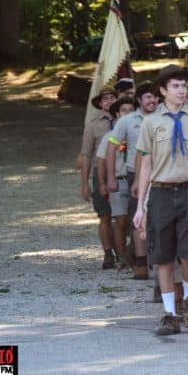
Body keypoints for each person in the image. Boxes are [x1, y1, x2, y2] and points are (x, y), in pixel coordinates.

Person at [133, 68, 188, 336]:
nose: (181, 90)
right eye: (175, 86)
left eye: (183, 85)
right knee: (162, 255)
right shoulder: (151, 122)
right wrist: (141, 205)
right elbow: (146, 164)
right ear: (162, 90)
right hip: (161, 192)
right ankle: (169, 314)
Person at [107, 79, 161, 281]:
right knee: (139, 219)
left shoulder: (163, 117)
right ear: (139, 99)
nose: (152, 100)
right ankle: (140, 262)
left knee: (158, 220)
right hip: (134, 175)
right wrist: (111, 177)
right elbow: (112, 148)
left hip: (161, 173)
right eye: (148, 96)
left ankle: (156, 260)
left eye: (155, 96)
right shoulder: (127, 121)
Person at [79, 85, 117, 269]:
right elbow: (86, 155)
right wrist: (84, 183)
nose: (110, 101)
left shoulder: (124, 121)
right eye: (106, 99)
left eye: (112, 98)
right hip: (100, 172)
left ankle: (123, 250)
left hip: (121, 172)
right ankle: (108, 252)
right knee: (104, 215)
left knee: (123, 215)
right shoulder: (93, 126)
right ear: (100, 103)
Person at [96, 97, 136, 269]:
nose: (127, 113)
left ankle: (135, 252)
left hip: (135, 179)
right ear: (117, 114)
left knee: (136, 220)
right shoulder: (110, 137)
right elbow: (101, 161)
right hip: (119, 181)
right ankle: (121, 256)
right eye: (123, 110)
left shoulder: (139, 133)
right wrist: (103, 183)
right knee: (121, 220)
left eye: (131, 109)